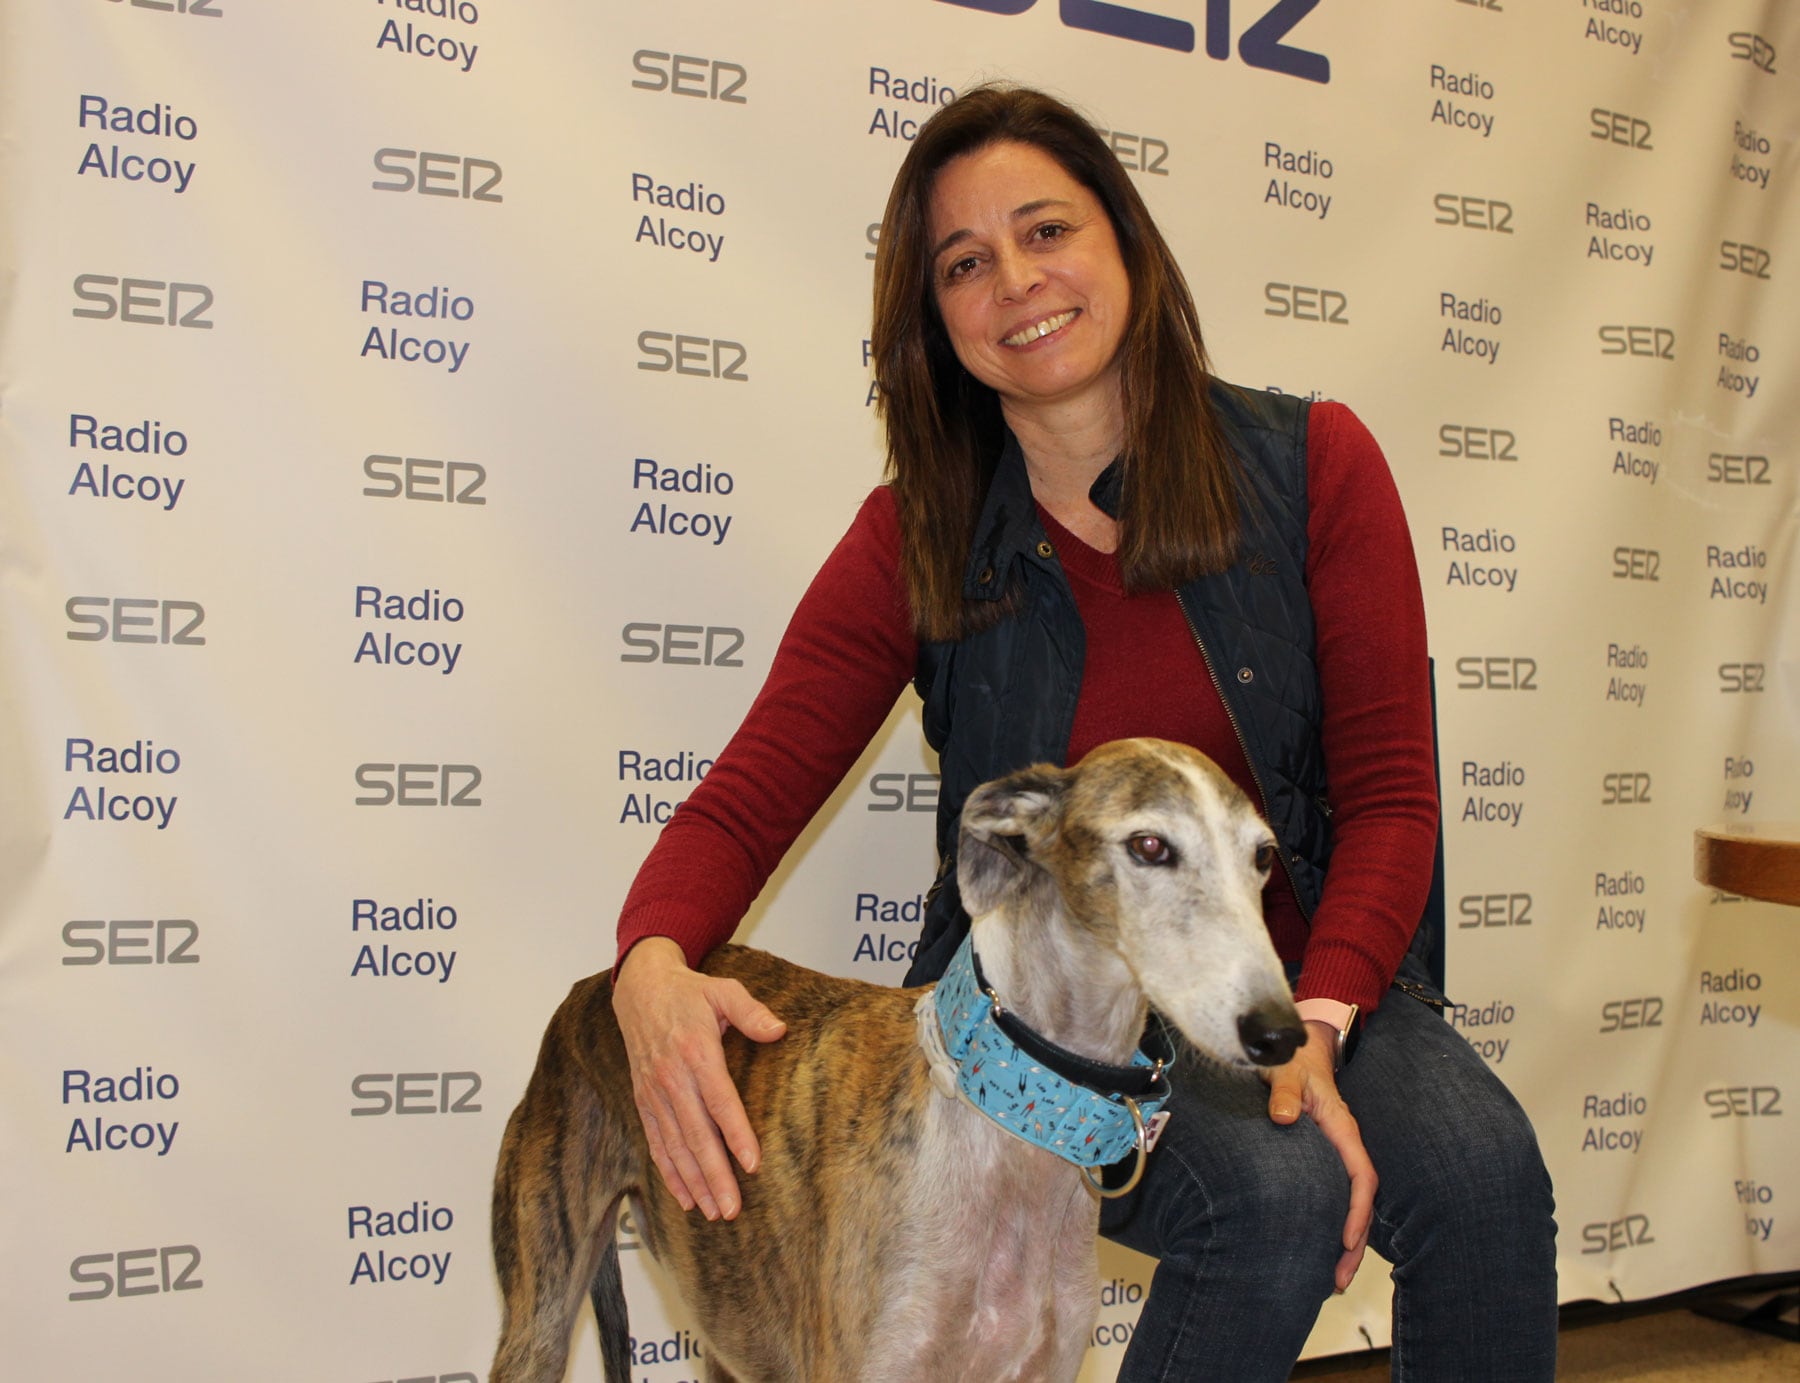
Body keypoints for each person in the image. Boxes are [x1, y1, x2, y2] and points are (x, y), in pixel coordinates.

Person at [610, 84, 1557, 1380]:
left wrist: (1321, 1026)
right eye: (964, 263)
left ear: (1124, 240)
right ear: (934, 320)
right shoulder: (917, 538)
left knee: (1486, 1177)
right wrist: (651, 965)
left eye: (1046, 231)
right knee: (1269, 1200)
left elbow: (1392, 798)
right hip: (1051, 1019)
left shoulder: (1316, 464)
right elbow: (746, 795)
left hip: (1309, 975)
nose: (1016, 281)